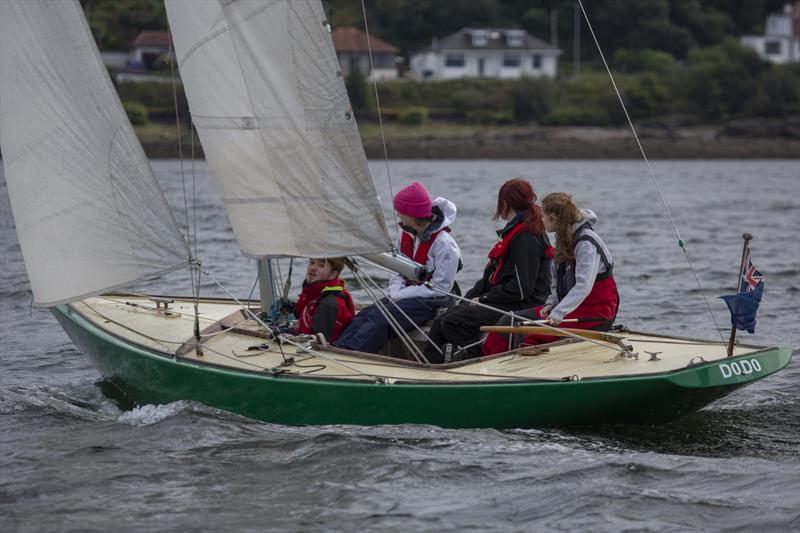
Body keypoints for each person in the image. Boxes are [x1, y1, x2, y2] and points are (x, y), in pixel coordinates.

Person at [423, 178, 551, 363]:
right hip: (504, 299)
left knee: (453, 322)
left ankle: (475, 359)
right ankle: (429, 366)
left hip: (522, 304)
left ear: (505, 203)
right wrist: (468, 298)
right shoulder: (514, 230)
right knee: (443, 319)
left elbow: (521, 288)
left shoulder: (526, 237)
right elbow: (490, 277)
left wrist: (484, 300)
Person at [483, 192, 619, 354]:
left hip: (596, 312)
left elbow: (584, 286)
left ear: (553, 218)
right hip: (566, 308)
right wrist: (551, 303)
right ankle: (486, 361)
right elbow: (555, 282)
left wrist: (558, 312)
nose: (541, 220)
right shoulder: (562, 237)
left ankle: (524, 371)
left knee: (531, 336)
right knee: (508, 321)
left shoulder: (586, 243)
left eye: (543, 217)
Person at [333, 182, 461, 355]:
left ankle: (353, 353)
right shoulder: (405, 235)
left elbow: (440, 288)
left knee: (382, 319)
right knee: (367, 314)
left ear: (411, 214)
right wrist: (395, 289)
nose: (397, 214)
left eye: (400, 211)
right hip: (406, 294)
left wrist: (402, 295)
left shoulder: (444, 244)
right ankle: (336, 348)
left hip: (432, 300)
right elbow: (396, 268)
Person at [284, 257, 354, 343]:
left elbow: (319, 342)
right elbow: (306, 316)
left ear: (332, 275)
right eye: (312, 262)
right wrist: (293, 309)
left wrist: (289, 334)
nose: (313, 268)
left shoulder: (329, 305)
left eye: (321, 265)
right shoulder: (313, 293)